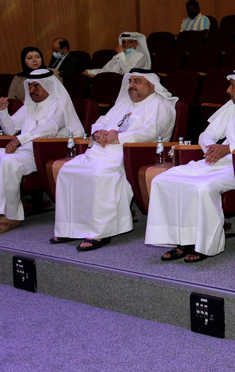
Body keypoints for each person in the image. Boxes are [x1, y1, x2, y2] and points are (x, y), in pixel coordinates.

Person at [145, 67, 235, 263]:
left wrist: (229, 148)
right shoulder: (232, 107)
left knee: (202, 187)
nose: (228, 90)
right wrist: (211, 149)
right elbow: (207, 134)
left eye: (232, 86)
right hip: (218, 162)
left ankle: (205, 245)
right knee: (163, 179)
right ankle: (183, 240)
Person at [52, 69, 176, 251]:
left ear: (152, 86)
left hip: (135, 152)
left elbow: (151, 132)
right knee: (68, 170)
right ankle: (70, 228)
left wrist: (117, 137)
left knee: (100, 173)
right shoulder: (123, 103)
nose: (132, 85)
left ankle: (100, 231)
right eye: (130, 81)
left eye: (137, 81)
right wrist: (98, 133)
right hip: (103, 150)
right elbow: (103, 120)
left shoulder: (160, 105)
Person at [0, 70, 84, 234]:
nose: (32, 90)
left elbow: (50, 126)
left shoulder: (59, 104)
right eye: (30, 86)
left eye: (37, 86)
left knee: (7, 162)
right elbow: (11, 129)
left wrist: (20, 139)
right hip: (25, 151)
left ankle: (11, 215)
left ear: (49, 86)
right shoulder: (29, 106)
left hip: (48, 152)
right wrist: (2, 111)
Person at [86, 32, 151, 76]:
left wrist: (121, 54)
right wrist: (89, 72)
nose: (126, 45)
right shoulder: (117, 56)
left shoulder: (140, 56)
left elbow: (129, 72)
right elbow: (105, 71)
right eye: (124, 42)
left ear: (136, 44)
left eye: (130, 42)